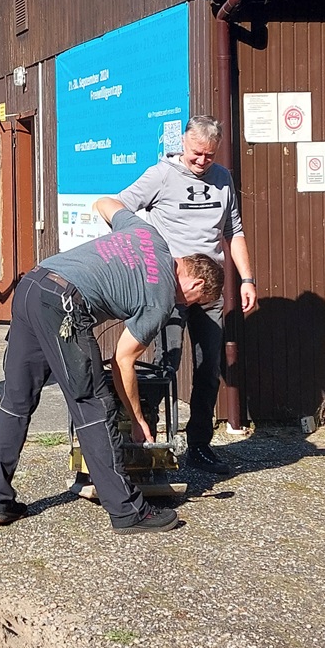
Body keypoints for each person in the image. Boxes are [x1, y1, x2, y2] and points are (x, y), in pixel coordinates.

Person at [0, 195, 222, 534]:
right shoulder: (163, 296)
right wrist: (138, 421)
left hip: (33, 285)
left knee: (16, 400)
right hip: (63, 304)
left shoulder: (147, 234)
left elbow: (105, 204)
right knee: (94, 406)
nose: (186, 306)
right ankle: (127, 512)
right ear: (195, 282)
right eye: (194, 301)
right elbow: (123, 359)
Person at [117, 115, 257, 475]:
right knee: (166, 367)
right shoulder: (161, 175)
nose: (201, 162)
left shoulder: (223, 179)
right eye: (196, 154)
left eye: (209, 156)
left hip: (208, 292)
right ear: (184, 143)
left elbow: (234, 231)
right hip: (172, 289)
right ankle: (152, 441)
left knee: (209, 367)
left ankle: (199, 446)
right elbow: (120, 207)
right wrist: (145, 259)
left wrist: (246, 278)